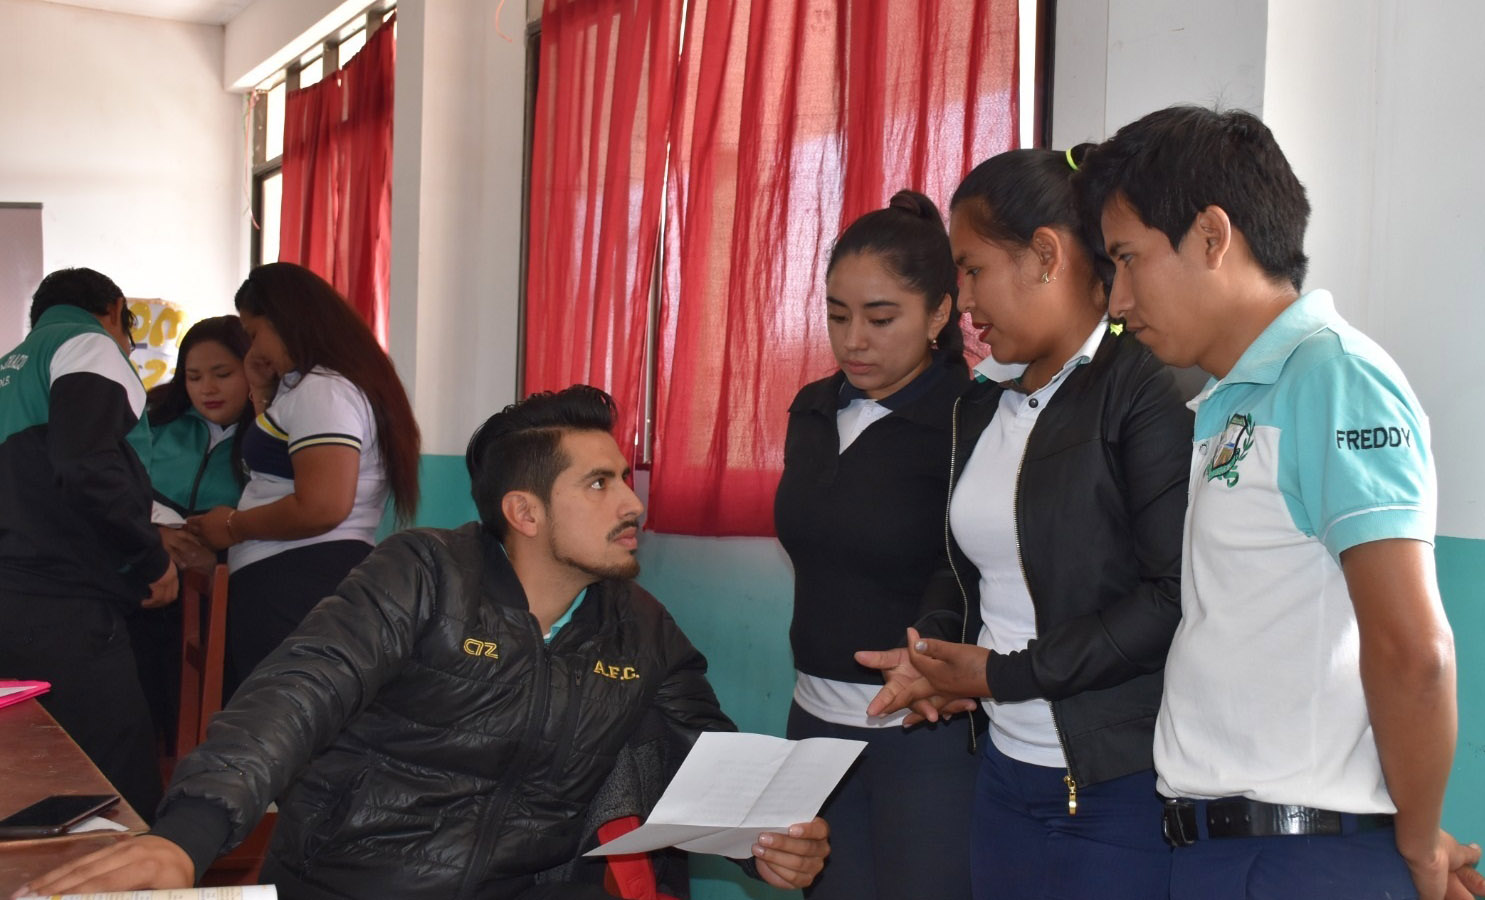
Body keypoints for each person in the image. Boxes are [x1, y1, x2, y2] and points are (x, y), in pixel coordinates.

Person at [16, 386, 831, 900]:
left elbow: (712, 761)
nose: (631, 503)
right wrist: (185, 838)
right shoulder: (423, 575)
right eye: (599, 482)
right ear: (524, 512)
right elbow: (296, 694)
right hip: (361, 883)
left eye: (625, 477)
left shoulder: (640, 626)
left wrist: (765, 844)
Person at [1072, 105, 1485, 900]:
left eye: (1128, 260)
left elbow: (1414, 652)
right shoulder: (1230, 400)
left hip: (1295, 858)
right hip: (1223, 848)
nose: (1117, 301)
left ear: (1212, 235)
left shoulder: (1332, 378)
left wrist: (1416, 843)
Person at [855, 147, 1193, 900]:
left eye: (973, 270)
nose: (963, 301)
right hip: (1004, 774)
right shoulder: (983, 401)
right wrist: (933, 652)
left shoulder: (1139, 389)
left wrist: (999, 675)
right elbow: (963, 565)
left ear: (1045, 255)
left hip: (1117, 784)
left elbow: (1169, 597)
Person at [775, 190, 975, 900]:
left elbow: (974, 572)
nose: (853, 340)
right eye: (837, 315)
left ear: (939, 314)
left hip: (922, 734)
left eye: (881, 318)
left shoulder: (969, 419)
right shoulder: (811, 409)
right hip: (813, 725)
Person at [184, 262, 421, 690]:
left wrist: (233, 527)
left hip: (298, 582)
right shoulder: (311, 386)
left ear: (286, 321)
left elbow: (323, 506)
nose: (254, 350)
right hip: (294, 577)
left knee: (286, 715)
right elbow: (280, 460)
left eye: (255, 334)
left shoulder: (325, 390)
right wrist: (262, 391)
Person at [0, 267, 177, 820]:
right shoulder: (88, 344)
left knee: (36, 781)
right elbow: (86, 466)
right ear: (115, 310)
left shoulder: (9, 369)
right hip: (66, 604)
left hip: (13, 598)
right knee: (115, 783)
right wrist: (151, 558)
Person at [129, 315, 255, 752]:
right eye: (194, 376)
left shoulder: (270, 439)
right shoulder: (154, 425)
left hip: (227, 601)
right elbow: (113, 500)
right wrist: (152, 536)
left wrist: (219, 558)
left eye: (222, 374)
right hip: (148, 588)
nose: (207, 389)